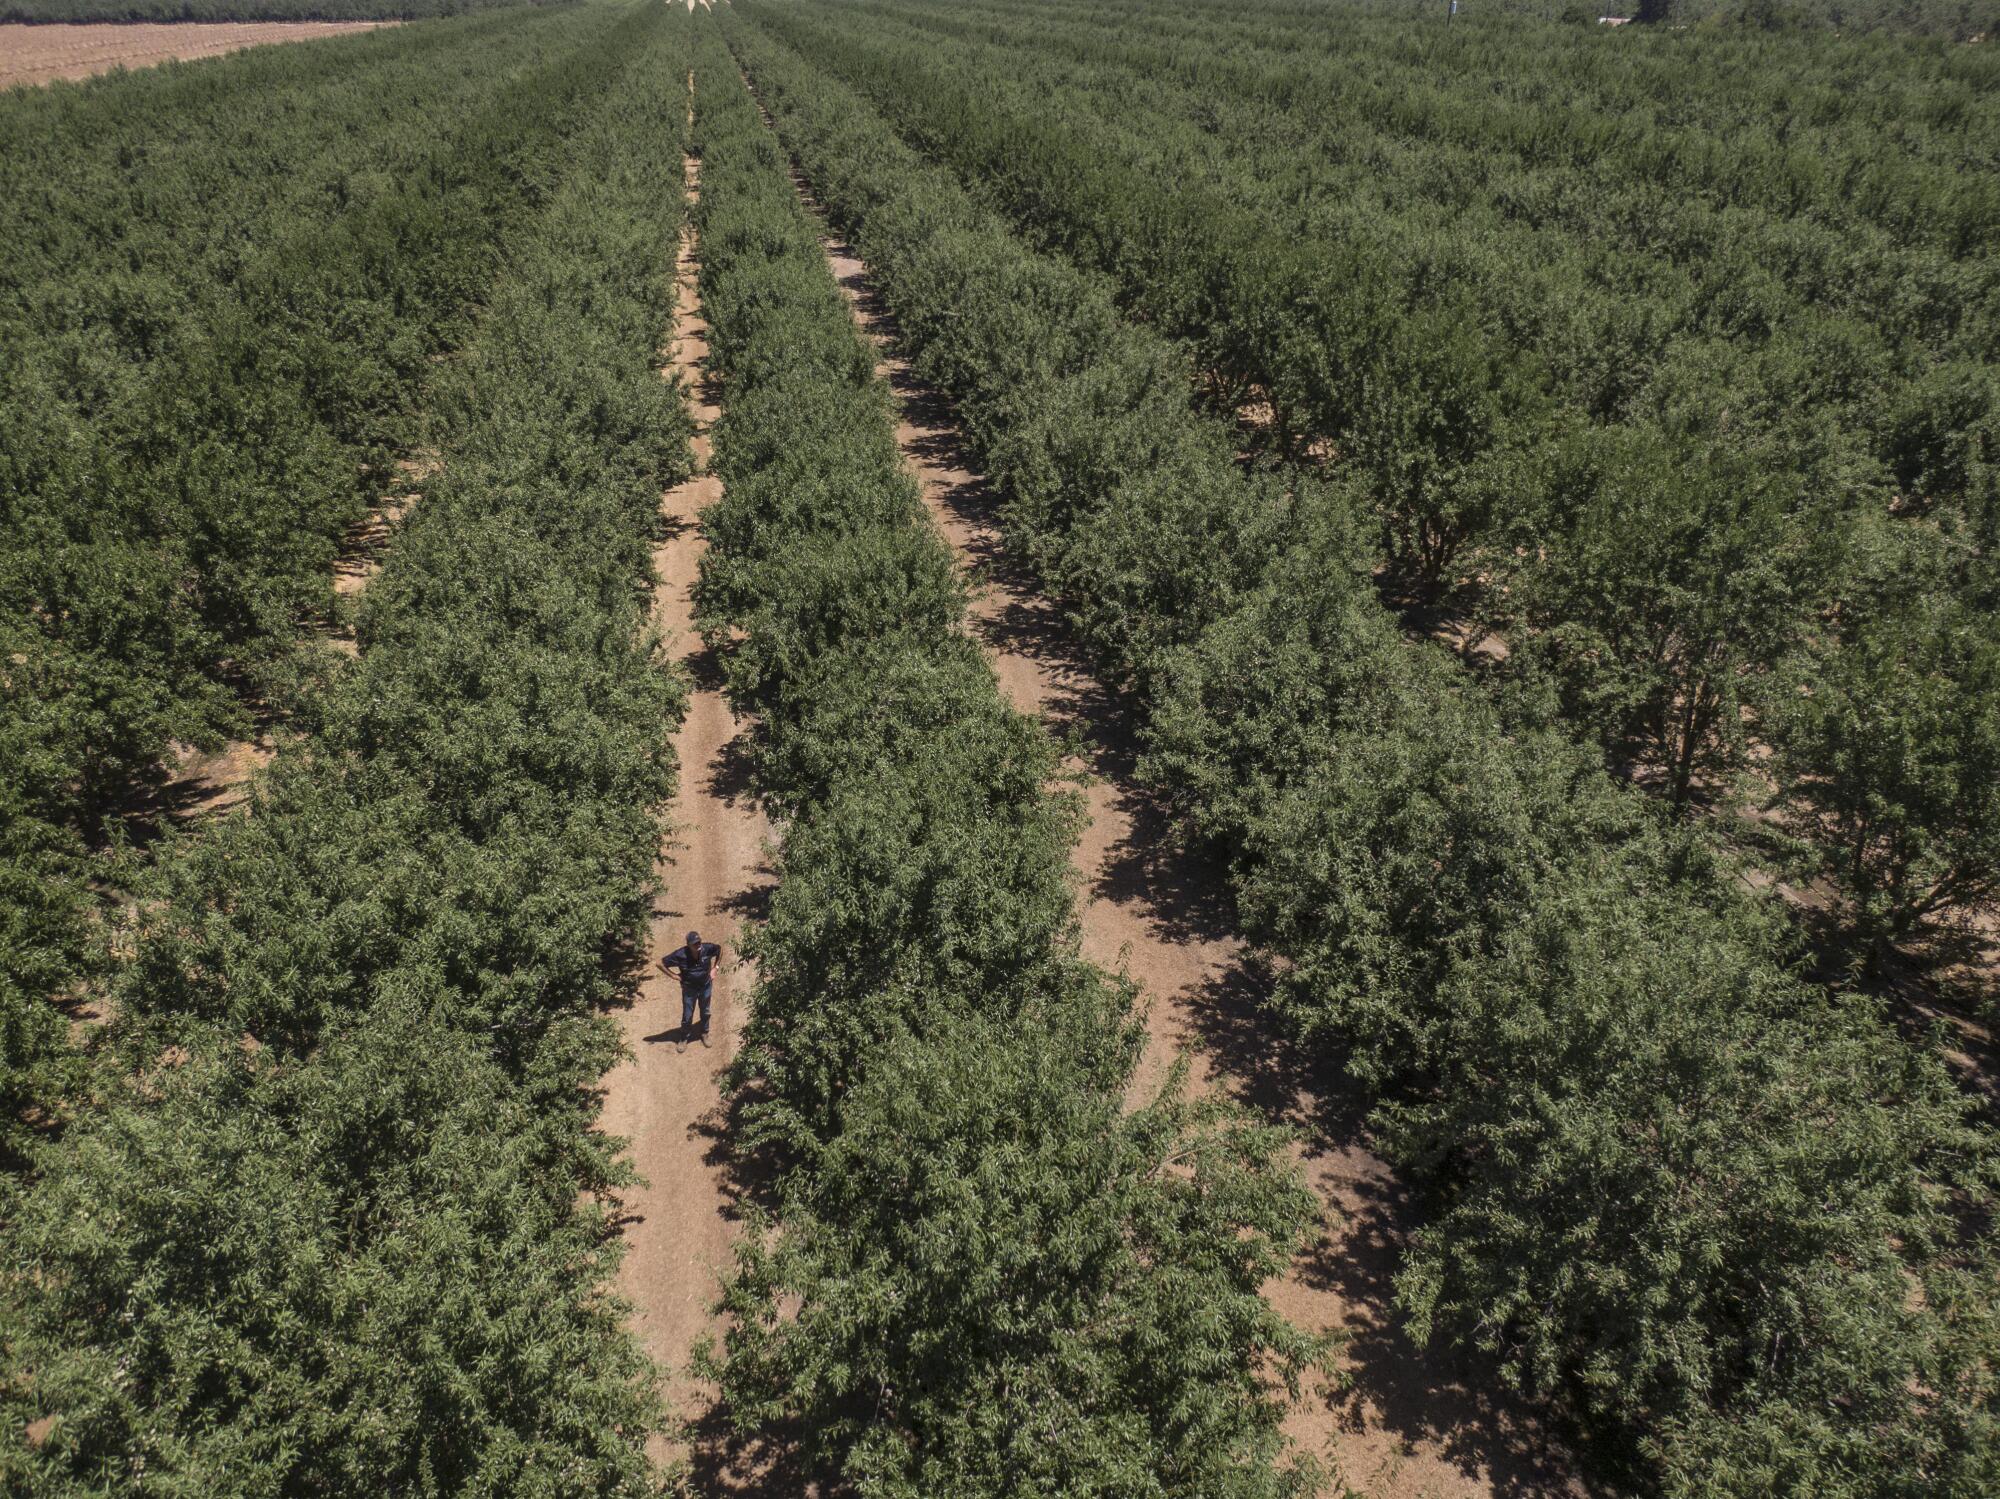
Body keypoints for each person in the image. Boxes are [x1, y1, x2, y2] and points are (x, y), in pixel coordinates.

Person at [662, 929, 722, 1050]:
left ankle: (704, 1033)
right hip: (689, 990)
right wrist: (674, 976)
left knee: (705, 1011)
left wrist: (715, 967)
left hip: (705, 986)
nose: (698, 945)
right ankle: (684, 1038)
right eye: (695, 943)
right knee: (688, 1015)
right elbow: (660, 963)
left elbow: (720, 950)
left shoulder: (708, 948)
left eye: (699, 942)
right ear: (688, 945)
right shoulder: (680, 955)